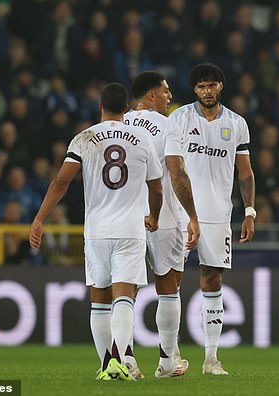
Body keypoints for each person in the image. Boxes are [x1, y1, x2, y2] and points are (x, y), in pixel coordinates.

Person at [29, 82, 163, 382]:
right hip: (130, 229)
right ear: (127, 109)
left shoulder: (84, 138)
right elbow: (156, 188)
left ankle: (106, 365)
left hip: (97, 230)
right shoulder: (142, 139)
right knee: (125, 298)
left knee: (99, 301)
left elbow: (61, 182)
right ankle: (121, 361)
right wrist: (153, 216)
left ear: (100, 106)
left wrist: (39, 218)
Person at [169, 63, 256, 375]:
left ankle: (211, 359)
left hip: (219, 215)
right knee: (171, 281)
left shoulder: (237, 123)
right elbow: (173, 169)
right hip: (180, 214)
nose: (207, 90)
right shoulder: (178, 119)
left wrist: (249, 212)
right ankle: (172, 355)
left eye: (212, 85)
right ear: (194, 89)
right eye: (202, 86)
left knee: (213, 280)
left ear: (221, 86)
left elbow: (245, 174)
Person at [125, 71, 200, 378]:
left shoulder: (119, 124)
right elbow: (176, 173)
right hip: (163, 216)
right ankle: (167, 362)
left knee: (123, 291)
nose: (170, 96)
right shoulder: (167, 125)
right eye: (166, 92)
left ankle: (125, 361)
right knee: (168, 288)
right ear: (151, 95)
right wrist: (193, 215)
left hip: (125, 217)